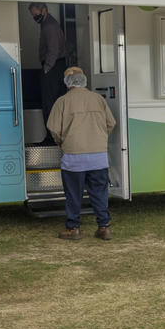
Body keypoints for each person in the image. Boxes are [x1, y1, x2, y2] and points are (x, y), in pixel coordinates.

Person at [47, 66, 117, 240]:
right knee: (99, 193)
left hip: (73, 157)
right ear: (84, 80)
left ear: (67, 82)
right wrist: (99, 138)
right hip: (98, 157)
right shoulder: (98, 99)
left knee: (73, 194)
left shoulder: (62, 102)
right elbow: (111, 123)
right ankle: (104, 227)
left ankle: (73, 229)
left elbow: (53, 128)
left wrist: (60, 141)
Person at [29, 2, 68, 144]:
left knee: (49, 103)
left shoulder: (50, 26)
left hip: (53, 67)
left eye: (36, 14)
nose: (35, 17)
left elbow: (53, 50)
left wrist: (47, 68)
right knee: (51, 102)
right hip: (55, 66)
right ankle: (53, 135)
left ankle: (51, 137)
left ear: (44, 10)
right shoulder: (47, 24)